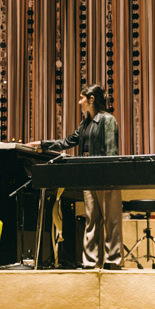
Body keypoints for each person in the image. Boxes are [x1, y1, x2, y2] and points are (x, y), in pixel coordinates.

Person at [29, 84, 123, 270]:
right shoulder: (85, 124)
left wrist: (108, 177)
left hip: (105, 176)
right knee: (91, 220)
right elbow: (67, 142)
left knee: (111, 221)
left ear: (91, 99)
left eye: (82, 98)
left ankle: (113, 261)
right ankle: (90, 261)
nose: (79, 102)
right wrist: (42, 144)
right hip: (88, 176)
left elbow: (112, 151)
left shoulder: (107, 120)